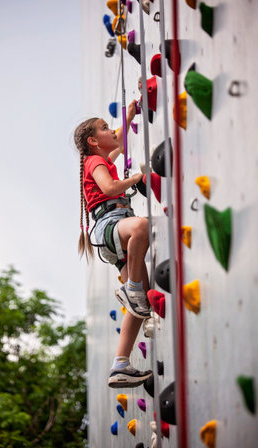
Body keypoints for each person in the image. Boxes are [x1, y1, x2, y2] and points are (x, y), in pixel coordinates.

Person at [74, 100, 152, 388]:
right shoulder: (94, 161)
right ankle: (131, 289)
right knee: (142, 226)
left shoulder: (102, 158)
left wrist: (130, 114)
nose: (111, 131)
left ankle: (120, 364)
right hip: (111, 225)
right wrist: (135, 179)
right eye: (104, 128)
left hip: (111, 236)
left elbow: (119, 140)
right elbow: (108, 189)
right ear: (94, 141)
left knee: (141, 302)